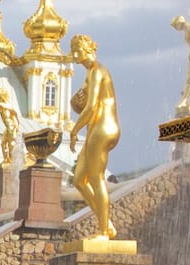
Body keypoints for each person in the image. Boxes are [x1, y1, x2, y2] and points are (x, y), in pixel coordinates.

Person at [68, 35, 122, 240]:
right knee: (78, 180)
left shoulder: (97, 71)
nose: (75, 55)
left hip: (104, 128)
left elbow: (91, 108)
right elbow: (85, 105)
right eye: (73, 50)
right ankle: (106, 223)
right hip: (96, 128)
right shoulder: (90, 74)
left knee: (95, 178)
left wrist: (74, 131)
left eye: (78, 49)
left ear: (88, 48)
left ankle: (103, 232)